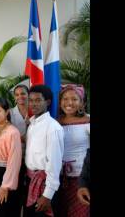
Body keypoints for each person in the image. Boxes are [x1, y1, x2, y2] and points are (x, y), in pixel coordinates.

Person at [24, 85, 64, 217]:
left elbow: (54, 164)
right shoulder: (32, 124)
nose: (33, 104)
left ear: (47, 102)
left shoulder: (52, 128)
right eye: (30, 100)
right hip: (31, 181)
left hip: (45, 185)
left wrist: (47, 195)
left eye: (37, 100)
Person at [56, 84, 90, 217]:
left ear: (82, 103)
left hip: (82, 180)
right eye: (65, 99)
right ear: (60, 102)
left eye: (74, 99)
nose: (69, 102)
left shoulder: (88, 122)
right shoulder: (54, 122)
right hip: (60, 179)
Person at [9, 84, 30, 215]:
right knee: (15, 192)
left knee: (27, 191)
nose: (20, 97)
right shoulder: (10, 113)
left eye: (23, 93)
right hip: (15, 158)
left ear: (28, 95)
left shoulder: (35, 111)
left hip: (31, 159)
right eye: (17, 95)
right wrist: (24, 138)